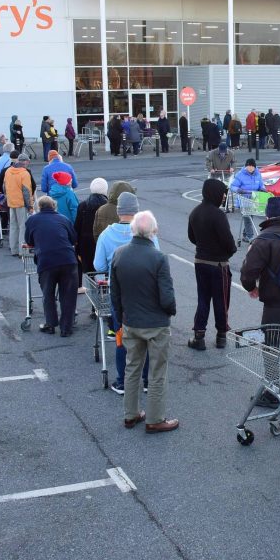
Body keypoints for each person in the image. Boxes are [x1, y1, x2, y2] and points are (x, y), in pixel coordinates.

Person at [110, 210, 178, 434]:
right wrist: (170, 311)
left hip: (131, 321)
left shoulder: (119, 255)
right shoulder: (159, 258)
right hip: (156, 324)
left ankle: (130, 415)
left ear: (133, 230)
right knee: (157, 372)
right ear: (154, 231)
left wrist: (120, 319)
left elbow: (115, 294)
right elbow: (166, 296)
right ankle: (155, 418)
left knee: (132, 369)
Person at [95, 191, 153, 395]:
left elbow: (98, 264)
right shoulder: (146, 232)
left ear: (119, 211)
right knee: (145, 336)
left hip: (118, 291)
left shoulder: (106, 235)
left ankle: (122, 382)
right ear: (136, 210)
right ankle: (146, 381)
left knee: (121, 335)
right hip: (145, 292)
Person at [239, 196, 280, 327]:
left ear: (267, 215)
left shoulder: (263, 239)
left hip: (275, 300)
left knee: (271, 341)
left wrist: (251, 287)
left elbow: (248, 271)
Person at [187, 178, 238, 350]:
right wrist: (228, 252)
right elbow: (229, 242)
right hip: (219, 265)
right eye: (223, 193)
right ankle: (221, 335)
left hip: (200, 261)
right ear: (215, 193)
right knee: (221, 300)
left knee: (203, 299)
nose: (224, 197)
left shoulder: (195, 212)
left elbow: (191, 237)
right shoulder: (218, 214)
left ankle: (198, 335)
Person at [25, 196, 79, 337]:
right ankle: (66, 328)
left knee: (48, 294)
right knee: (68, 295)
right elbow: (73, 238)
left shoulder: (32, 220)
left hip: (46, 261)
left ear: (39, 208)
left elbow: (29, 240)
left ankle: (50, 324)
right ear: (54, 206)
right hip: (68, 259)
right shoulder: (63, 219)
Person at [75, 177, 108, 276]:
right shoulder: (107, 206)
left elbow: (77, 227)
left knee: (90, 274)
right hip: (102, 243)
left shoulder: (82, 206)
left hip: (86, 245)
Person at [4, 153, 34, 256]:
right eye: (28, 161)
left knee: (13, 226)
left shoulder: (8, 171)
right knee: (22, 227)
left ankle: (14, 249)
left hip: (11, 202)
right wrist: (30, 205)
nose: (29, 163)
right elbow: (26, 191)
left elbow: (4, 187)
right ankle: (22, 251)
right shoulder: (24, 173)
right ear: (25, 162)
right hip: (21, 203)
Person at [230, 158, 265, 244]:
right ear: (245, 166)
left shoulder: (258, 174)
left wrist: (263, 189)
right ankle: (250, 236)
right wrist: (239, 190)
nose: (249, 168)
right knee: (247, 217)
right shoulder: (240, 174)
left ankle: (245, 235)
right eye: (248, 166)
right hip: (243, 199)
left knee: (250, 217)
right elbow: (232, 186)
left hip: (254, 199)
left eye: (251, 166)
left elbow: (261, 184)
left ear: (254, 167)